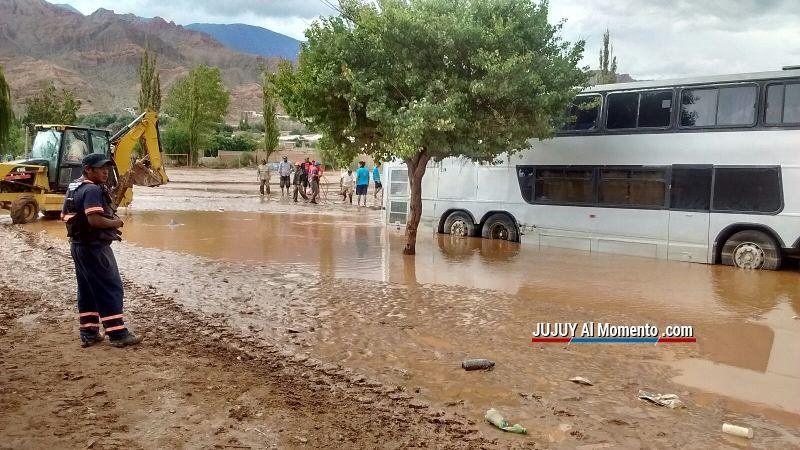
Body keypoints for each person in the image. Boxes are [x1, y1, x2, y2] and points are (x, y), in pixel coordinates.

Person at [61, 153, 142, 348]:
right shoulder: (92, 190)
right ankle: (117, 334)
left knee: (87, 289)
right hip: (94, 247)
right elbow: (95, 220)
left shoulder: (74, 186)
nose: (105, 172)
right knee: (111, 287)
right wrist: (116, 222)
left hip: (78, 245)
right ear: (88, 169)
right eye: (100, 168)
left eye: (106, 168)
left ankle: (88, 332)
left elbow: (66, 215)